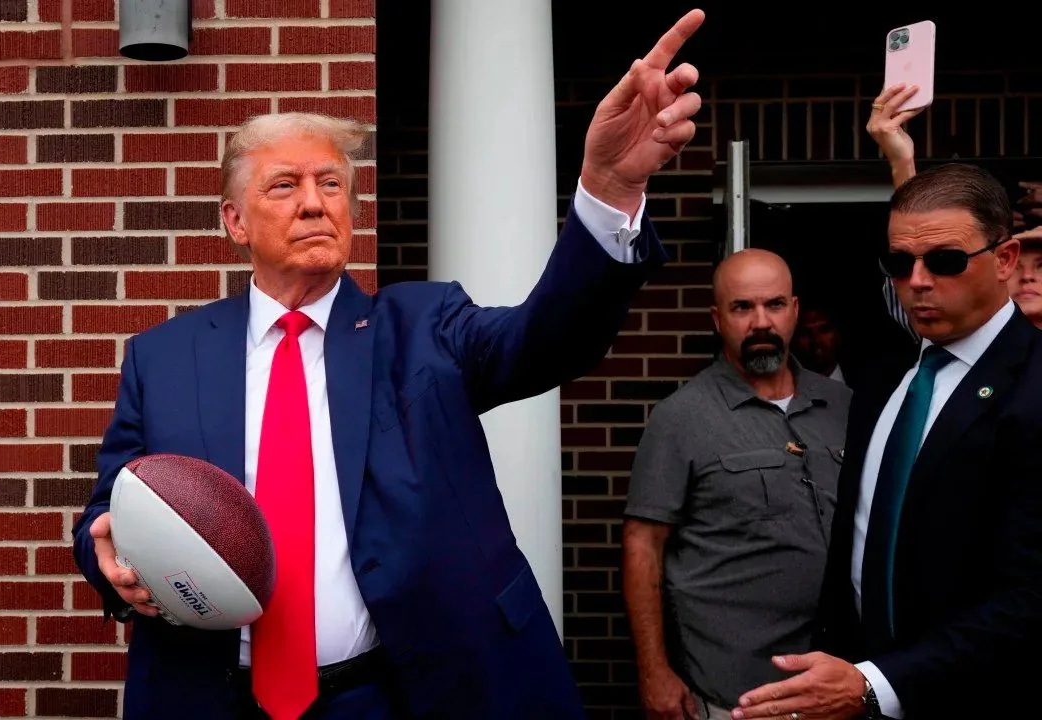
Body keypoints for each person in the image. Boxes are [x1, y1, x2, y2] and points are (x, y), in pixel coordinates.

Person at [71, 9, 708, 720]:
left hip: (399, 695)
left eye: (332, 185)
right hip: (212, 695)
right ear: (234, 221)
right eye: (285, 186)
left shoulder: (424, 328)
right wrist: (105, 555)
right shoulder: (163, 357)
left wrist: (608, 190)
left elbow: (548, 341)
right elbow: (112, 506)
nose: (315, 203)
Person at [731, 163, 1042, 720]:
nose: (918, 281)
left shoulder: (1033, 386)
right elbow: (858, 543)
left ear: (1005, 261)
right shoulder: (882, 379)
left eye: (944, 261)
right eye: (900, 263)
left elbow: (1028, 597)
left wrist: (876, 683)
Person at [623, 249, 851, 720]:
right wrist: (654, 671)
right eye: (742, 307)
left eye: (774, 305)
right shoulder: (682, 417)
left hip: (841, 685)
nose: (761, 322)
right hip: (737, 696)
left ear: (795, 310)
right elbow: (642, 544)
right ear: (717, 318)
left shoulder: (846, 406)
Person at [869, 83, 1042, 329]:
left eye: (1041, 266)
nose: (1026, 277)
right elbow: (920, 236)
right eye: (1019, 267)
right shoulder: (950, 341)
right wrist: (901, 161)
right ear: (1002, 265)